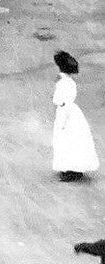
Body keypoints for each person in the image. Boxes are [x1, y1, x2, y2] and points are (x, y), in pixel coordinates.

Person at [52, 51, 99, 181]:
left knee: (66, 139)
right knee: (75, 140)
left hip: (65, 112)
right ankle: (74, 169)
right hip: (72, 112)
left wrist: (62, 121)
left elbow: (58, 100)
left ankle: (70, 170)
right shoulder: (69, 82)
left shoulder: (63, 82)